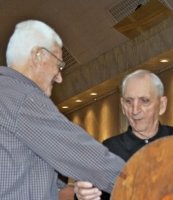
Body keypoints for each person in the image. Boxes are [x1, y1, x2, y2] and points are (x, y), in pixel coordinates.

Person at [0, 19, 125, 200]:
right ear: (38, 56)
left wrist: (74, 192)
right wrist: (146, 182)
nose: (59, 78)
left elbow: (25, 176)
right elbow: (81, 153)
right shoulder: (22, 97)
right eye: (59, 65)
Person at [74, 69, 173, 200]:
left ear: (162, 105)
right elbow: (93, 194)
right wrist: (81, 195)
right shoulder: (110, 150)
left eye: (144, 101)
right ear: (123, 106)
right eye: (129, 101)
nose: (135, 110)